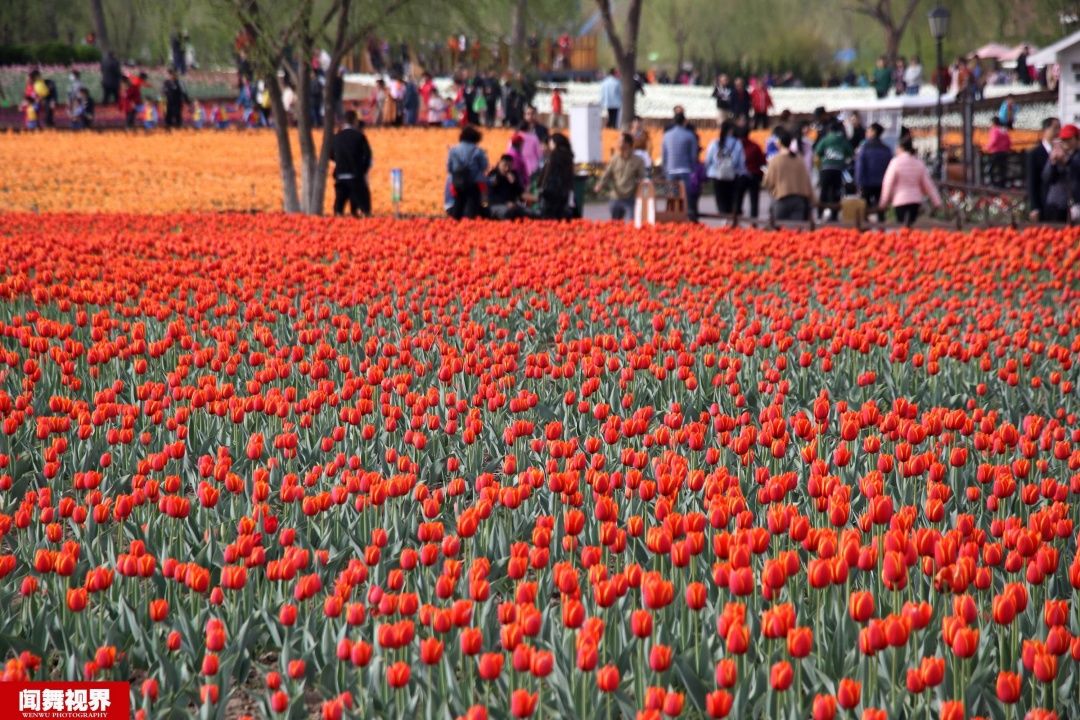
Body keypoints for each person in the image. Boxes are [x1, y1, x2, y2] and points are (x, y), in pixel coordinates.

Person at [880, 136, 942, 227]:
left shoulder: (895, 163)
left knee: (902, 226)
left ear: (901, 148)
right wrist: (937, 201)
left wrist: (884, 202)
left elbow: (888, 183)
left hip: (899, 200)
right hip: (915, 201)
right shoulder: (918, 163)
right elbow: (928, 184)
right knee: (910, 225)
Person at [763, 128, 814, 221]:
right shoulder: (799, 159)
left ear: (779, 143)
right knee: (796, 231)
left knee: (782, 232)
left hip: (781, 200)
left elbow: (768, 181)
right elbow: (807, 180)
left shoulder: (775, 160)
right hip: (799, 200)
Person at [594, 132, 646, 220]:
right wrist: (600, 184)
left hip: (630, 198)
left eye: (620, 141)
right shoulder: (614, 159)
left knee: (631, 224)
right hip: (616, 197)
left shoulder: (638, 161)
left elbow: (643, 178)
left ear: (628, 144)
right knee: (616, 224)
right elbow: (607, 173)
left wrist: (643, 190)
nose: (618, 143)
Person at [330, 111, 373, 216]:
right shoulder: (359, 137)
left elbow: (331, 155)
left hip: (340, 177)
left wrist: (339, 164)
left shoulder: (336, 138)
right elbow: (368, 156)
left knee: (338, 208)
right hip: (356, 177)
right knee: (363, 207)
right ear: (354, 121)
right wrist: (362, 171)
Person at [662, 109, 700, 221]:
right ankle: (687, 218)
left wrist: (665, 169)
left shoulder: (667, 135)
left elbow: (664, 155)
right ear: (685, 121)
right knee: (685, 198)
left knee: (671, 198)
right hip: (685, 170)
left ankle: (670, 219)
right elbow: (693, 155)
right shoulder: (690, 135)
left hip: (671, 170)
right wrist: (693, 168)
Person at [705, 119, 747, 216]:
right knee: (731, 199)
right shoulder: (737, 143)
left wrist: (708, 172)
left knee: (720, 200)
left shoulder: (714, 143)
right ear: (731, 130)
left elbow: (708, 160)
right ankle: (730, 220)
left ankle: (723, 220)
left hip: (717, 175)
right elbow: (741, 162)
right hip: (733, 175)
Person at [447, 125, 489, 220]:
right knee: (472, 208)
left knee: (458, 205)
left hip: (458, 182)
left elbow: (449, 168)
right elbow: (484, 166)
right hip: (473, 183)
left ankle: (454, 225)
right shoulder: (478, 151)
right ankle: (469, 227)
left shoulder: (453, 150)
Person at [814, 120, 853, 219]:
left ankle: (819, 214)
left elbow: (818, 152)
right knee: (836, 192)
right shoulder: (842, 140)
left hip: (825, 169)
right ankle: (834, 215)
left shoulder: (825, 139)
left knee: (824, 192)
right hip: (838, 170)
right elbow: (850, 152)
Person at [1042, 124, 1080, 222]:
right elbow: (1046, 178)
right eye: (1063, 139)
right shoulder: (1056, 154)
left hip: (1076, 203)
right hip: (1056, 203)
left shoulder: (1077, 155)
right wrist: (1053, 163)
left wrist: (1066, 161)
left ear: (1076, 139)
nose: (1065, 142)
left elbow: (1076, 170)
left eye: (1069, 139)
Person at [854, 122, 891, 222]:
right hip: (882, 183)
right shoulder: (886, 149)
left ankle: (864, 232)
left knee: (864, 209)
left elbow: (860, 167)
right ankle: (881, 230)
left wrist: (858, 183)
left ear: (874, 132)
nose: (866, 132)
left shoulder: (864, 148)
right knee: (881, 209)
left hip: (866, 183)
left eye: (868, 130)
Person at [1027, 117, 1060, 222]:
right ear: (1045, 130)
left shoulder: (1062, 152)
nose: (1058, 132)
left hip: (1060, 203)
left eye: (1059, 128)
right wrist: (1034, 207)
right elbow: (1032, 181)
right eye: (1055, 128)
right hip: (1043, 201)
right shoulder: (1035, 153)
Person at [537, 133, 575, 219]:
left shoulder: (553, 156)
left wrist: (542, 187)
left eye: (550, 142)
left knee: (548, 217)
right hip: (563, 192)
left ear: (555, 143)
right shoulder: (568, 156)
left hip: (551, 192)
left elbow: (548, 174)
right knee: (560, 217)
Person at [487, 154, 533, 220]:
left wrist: (514, 183)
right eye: (504, 165)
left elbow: (519, 192)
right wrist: (506, 203)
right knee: (507, 212)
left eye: (509, 166)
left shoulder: (514, 174)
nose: (507, 169)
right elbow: (491, 195)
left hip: (513, 205)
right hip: (497, 204)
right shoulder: (494, 174)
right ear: (499, 164)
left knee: (530, 213)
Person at [738, 126, 766, 219]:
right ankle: (754, 222)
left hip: (740, 176)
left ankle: (736, 220)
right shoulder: (755, 146)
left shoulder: (737, 146)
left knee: (738, 199)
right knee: (754, 200)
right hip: (754, 175)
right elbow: (762, 161)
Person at [984, 116, 1012, 188]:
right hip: (1004, 152)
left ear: (993, 123)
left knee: (990, 169)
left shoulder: (994, 130)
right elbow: (1009, 141)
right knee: (1002, 169)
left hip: (995, 152)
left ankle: (991, 184)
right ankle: (1003, 184)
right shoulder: (1003, 130)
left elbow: (994, 140)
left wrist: (986, 148)